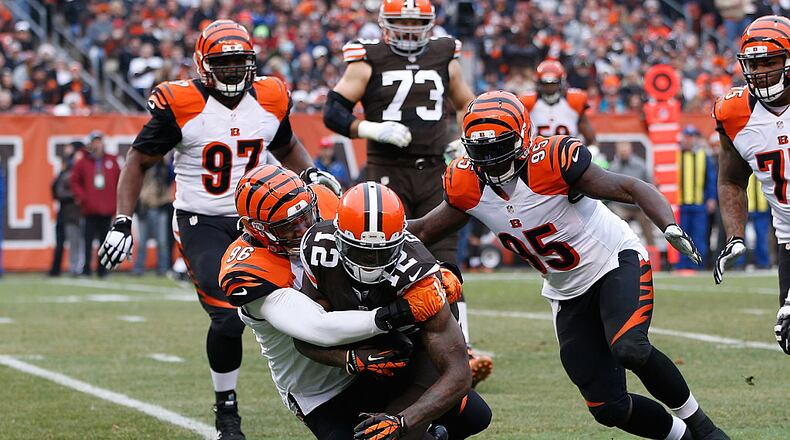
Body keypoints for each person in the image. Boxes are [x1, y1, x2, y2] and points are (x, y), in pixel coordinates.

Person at [408, 91, 729, 440]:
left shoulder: (554, 161)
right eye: (481, 150)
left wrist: (668, 224)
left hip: (612, 261)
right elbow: (423, 229)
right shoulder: (466, 184)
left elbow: (631, 186)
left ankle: (705, 429)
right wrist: (371, 231)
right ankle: (684, 437)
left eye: (499, 147)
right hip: (565, 290)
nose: (491, 160)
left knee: (630, 347)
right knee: (608, 408)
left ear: (523, 140)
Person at [97, 19, 340, 440]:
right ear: (203, 66)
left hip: (265, 221)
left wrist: (312, 172)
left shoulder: (270, 95)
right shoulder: (181, 102)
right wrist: (123, 220)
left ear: (253, 63)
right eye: (223, 63)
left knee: (317, 293)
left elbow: (285, 144)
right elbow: (137, 161)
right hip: (202, 221)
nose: (232, 70)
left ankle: (341, 385)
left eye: (239, 62)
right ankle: (226, 408)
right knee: (228, 318)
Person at [322, 0, 490, 384]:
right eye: (404, 22)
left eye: (418, 22)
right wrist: (370, 129)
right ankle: (387, 342)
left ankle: (461, 347)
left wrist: (464, 140)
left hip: (436, 169)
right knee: (382, 252)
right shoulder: (368, 57)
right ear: (385, 24)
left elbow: (466, 103)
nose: (412, 29)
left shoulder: (444, 53)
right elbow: (334, 110)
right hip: (387, 172)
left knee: (444, 259)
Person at [218, 165, 423, 438]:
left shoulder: (324, 201)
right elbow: (317, 326)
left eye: (306, 216)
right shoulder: (248, 270)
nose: (305, 228)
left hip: (370, 354)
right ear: (257, 229)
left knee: (472, 414)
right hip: (317, 390)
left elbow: (381, 238)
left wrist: (429, 270)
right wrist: (395, 313)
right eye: (289, 226)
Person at [297, 182, 491, 439]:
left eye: (381, 253)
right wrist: (350, 358)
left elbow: (458, 373)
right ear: (338, 239)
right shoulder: (319, 248)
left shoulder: (420, 278)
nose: (370, 263)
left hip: (418, 354)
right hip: (366, 357)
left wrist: (402, 421)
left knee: (392, 433)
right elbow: (305, 334)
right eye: (359, 251)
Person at [711, 15, 790, 355]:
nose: (760, 72)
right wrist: (735, 235)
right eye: (754, 64)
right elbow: (731, 179)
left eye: (769, 62)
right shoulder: (733, 112)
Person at [71, 131, 120, 278]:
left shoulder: (111, 160)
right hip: (89, 209)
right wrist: (83, 197)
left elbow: (120, 180)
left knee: (105, 242)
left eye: (100, 141)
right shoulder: (83, 161)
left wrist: (116, 201)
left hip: (107, 208)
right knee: (87, 241)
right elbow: (75, 181)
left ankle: (102, 269)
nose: (98, 144)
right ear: (90, 144)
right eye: (95, 141)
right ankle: (86, 268)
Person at [519, 60, 597, 146]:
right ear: (539, 83)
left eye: (553, 83)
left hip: (568, 155)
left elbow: (590, 137)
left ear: (561, 82)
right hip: (537, 155)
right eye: (545, 84)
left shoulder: (574, 101)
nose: (549, 88)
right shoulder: (528, 102)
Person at [677, 125, 717, 270]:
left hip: (699, 204)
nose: (689, 140)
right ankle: (681, 266)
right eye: (687, 136)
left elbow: (710, 180)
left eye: (692, 137)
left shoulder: (703, 156)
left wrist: (711, 198)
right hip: (680, 204)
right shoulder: (676, 155)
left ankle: (697, 266)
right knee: (680, 238)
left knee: (699, 237)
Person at [608, 141, 656, 249]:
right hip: (621, 207)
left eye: (625, 149)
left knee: (648, 227)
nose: (623, 152)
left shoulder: (640, 166)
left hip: (639, 207)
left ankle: (653, 255)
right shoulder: (613, 167)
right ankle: (617, 251)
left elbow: (650, 186)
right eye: (621, 150)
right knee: (615, 225)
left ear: (631, 150)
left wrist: (647, 205)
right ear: (617, 151)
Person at [132, 158, 174, 276]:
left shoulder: (165, 165)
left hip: (161, 205)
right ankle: (139, 268)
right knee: (142, 241)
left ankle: (163, 268)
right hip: (144, 206)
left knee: (162, 241)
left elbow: (172, 175)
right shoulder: (144, 163)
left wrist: (165, 162)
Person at [49, 141, 84, 276]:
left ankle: (77, 268)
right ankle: (56, 269)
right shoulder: (66, 168)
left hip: (76, 211)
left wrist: (76, 196)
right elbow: (56, 188)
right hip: (65, 210)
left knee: (77, 240)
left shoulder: (78, 168)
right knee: (62, 240)